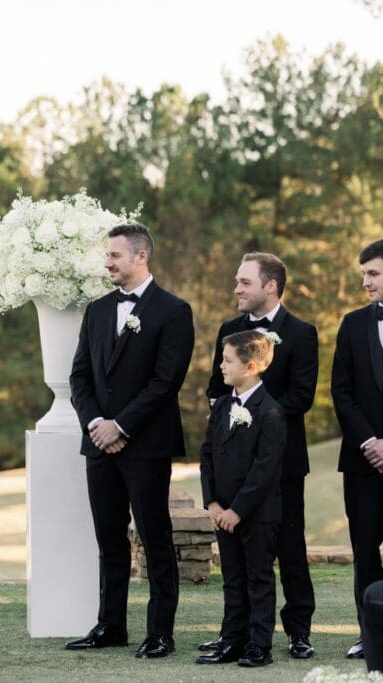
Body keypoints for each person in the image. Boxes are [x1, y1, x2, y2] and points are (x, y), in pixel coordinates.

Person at [67, 223, 195, 659]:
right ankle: (110, 626)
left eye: (115, 256)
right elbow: (79, 376)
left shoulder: (174, 311)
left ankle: (160, 633)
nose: (107, 263)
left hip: (146, 445)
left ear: (141, 257)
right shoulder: (97, 310)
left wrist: (120, 426)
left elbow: (165, 382)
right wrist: (96, 425)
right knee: (109, 539)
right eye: (107, 255)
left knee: (155, 538)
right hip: (98, 445)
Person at [203, 253, 318, 659]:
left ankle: (298, 631)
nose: (236, 288)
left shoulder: (302, 333)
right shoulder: (229, 330)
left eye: (244, 282)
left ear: (270, 286)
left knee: (290, 549)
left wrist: (254, 415)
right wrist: (223, 410)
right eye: (237, 281)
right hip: (233, 466)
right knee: (238, 558)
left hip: (282, 462)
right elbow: (215, 388)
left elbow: (302, 397)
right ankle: (237, 634)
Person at [198, 330, 285, 667]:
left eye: (227, 360)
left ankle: (259, 644)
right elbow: (206, 456)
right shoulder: (221, 407)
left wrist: (238, 510)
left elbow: (265, 469)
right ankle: (232, 639)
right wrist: (214, 504)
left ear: (249, 366)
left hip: (257, 513)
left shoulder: (271, 412)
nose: (221, 366)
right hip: (224, 511)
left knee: (258, 577)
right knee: (232, 578)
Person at [331, 238, 383, 660]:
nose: (365, 282)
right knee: (365, 551)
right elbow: (341, 393)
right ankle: (370, 636)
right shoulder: (351, 325)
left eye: (373, 274)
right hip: (363, 463)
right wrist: (371, 442)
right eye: (364, 274)